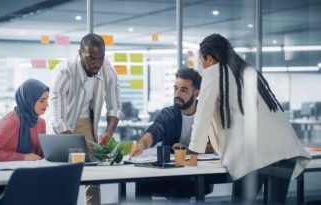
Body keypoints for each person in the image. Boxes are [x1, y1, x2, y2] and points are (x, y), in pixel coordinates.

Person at [186, 33, 311, 204]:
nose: (202, 66)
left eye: (202, 61)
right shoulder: (246, 71)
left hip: (253, 152)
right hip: (284, 148)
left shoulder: (214, 72)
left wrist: (193, 151)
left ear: (210, 58)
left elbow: (202, 115)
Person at [50, 33, 121, 205]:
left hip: (86, 123)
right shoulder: (66, 71)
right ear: (80, 53)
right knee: (62, 173)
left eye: (101, 58)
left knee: (92, 173)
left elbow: (115, 106)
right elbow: (57, 114)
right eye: (91, 58)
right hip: (62, 125)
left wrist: (109, 131)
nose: (97, 63)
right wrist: (69, 143)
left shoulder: (107, 70)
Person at [130, 68, 212, 201]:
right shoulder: (168, 114)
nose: (177, 94)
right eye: (176, 89)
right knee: (142, 181)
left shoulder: (207, 115)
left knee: (183, 186)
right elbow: (154, 132)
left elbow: (214, 145)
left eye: (183, 90)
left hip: (197, 172)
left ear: (196, 93)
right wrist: (141, 145)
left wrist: (187, 149)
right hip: (170, 173)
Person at [0, 79, 49, 162]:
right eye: (42, 100)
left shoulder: (41, 122)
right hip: (7, 171)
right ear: (29, 100)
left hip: (32, 170)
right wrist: (23, 157)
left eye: (47, 100)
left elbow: (41, 155)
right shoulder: (12, 121)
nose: (47, 104)